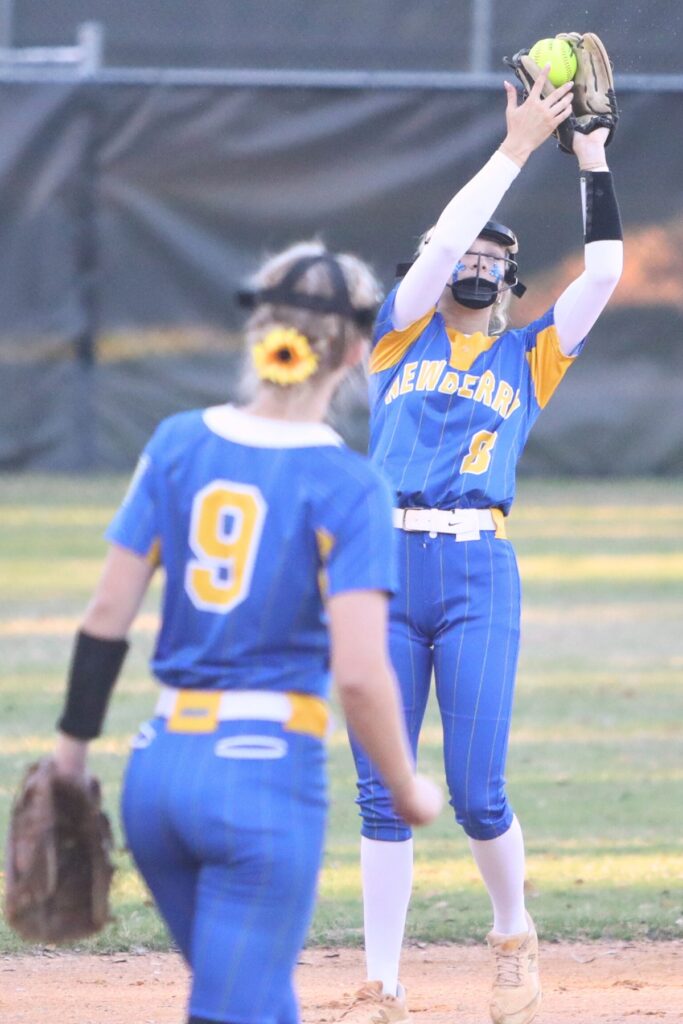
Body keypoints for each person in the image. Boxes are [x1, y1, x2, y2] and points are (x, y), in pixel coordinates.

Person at [51, 241, 443, 1024]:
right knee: (240, 1004)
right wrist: (406, 789)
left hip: (157, 772)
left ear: (258, 329)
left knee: (247, 999)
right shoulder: (349, 484)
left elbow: (105, 618)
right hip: (261, 781)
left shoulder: (175, 442)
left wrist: (69, 755)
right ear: (361, 349)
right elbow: (362, 676)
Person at [345, 67, 623, 1024]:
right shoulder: (395, 333)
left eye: (497, 253)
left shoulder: (529, 355)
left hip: (476, 570)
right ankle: (381, 986)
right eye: (469, 246)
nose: (478, 258)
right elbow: (438, 245)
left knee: (474, 790)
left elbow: (607, 274)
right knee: (382, 790)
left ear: (510, 280)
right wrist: (510, 151)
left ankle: (511, 933)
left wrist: (588, 160)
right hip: (380, 567)